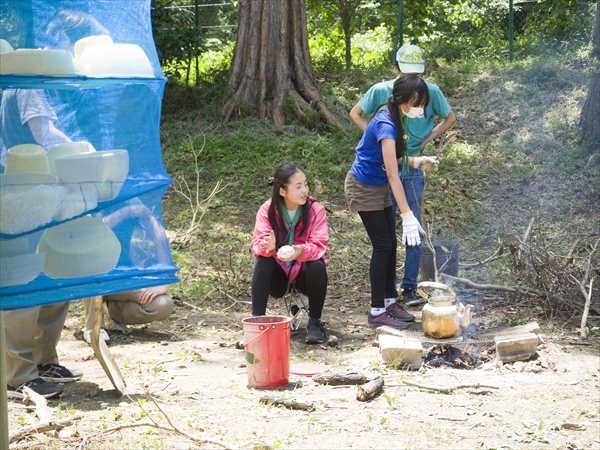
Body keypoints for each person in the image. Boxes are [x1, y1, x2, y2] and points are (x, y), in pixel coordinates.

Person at [350, 45, 456, 303]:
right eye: (414, 104)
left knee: (412, 229)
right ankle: (386, 295)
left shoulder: (430, 92)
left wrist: (420, 151)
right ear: (396, 69)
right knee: (387, 239)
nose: (418, 107)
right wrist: (378, 137)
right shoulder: (384, 103)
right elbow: (356, 114)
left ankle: (407, 289)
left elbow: (449, 117)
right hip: (379, 176)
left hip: (410, 168)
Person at [345, 74, 439, 329]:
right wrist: (407, 215)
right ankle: (377, 310)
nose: (420, 108)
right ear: (401, 100)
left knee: (390, 246)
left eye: (422, 103)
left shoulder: (398, 118)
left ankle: (389, 301)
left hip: (380, 186)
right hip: (364, 187)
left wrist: (416, 161)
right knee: (383, 247)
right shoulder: (387, 124)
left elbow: (393, 159)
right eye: (416, 102)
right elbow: (392, 174)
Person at [250, 164, 329, 344]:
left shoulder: (315, 209)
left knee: (317, 263)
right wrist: (267, 246)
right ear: (282, 191)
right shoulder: (268, 209)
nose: (305, 191)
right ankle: (255, 325)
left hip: (305, 277)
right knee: (262, 261)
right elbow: (257, 244)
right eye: (298, 186)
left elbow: (319, 245)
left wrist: (300, 251)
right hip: (278, 279)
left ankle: (315, 322)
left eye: (306, 185)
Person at [81, 286, 173, 343]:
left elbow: (161, 255)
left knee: (163, 305)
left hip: (128, 278)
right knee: (88, 276)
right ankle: (93, 327)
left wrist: (165, 281)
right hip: (95, 280)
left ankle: (110, 309)